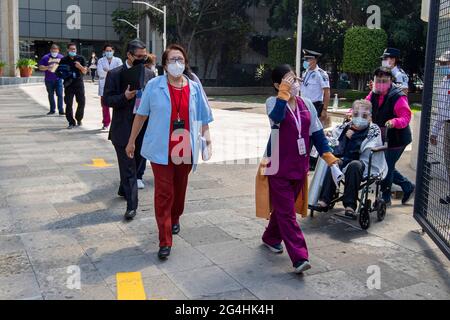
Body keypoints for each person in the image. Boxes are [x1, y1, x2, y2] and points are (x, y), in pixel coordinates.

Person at [125, 44, 213, 260]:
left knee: (179, 191)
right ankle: (165, 240)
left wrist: (207, 140)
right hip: (161, 147)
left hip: (184, 146)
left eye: (180, 60)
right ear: (164, 64)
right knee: (164, 193)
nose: (177, 64)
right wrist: (131, 141)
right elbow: (141, 115)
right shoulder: (154, 86)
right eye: (173, 60)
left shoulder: (193, 87)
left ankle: (175, 218)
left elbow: (203, 116)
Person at [260, 64, 339, 274]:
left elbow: (317, 134)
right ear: (277, 85)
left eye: (294, 79)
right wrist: (283, 94)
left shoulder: (307, 105)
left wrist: (328, 156)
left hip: (299, 166)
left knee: (283, 209)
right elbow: (276, 119)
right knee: (287, 214)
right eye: (287, 80)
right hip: (278, 166)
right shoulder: (273, 103)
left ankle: (270, 237)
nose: (294, 83)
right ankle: (299, 257)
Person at [103, 40, 155, 221]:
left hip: (143, 128)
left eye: (144, 56)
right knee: (129, 168)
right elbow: (107, 100)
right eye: (138, 57)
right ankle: (132, 206)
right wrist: (124, 97)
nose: (142, 59)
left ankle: (123, 187)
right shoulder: (115, 74)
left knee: (136, 163)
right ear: (129, 55)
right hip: (123, 129)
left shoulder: (150, 74)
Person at [314, 100, 388, 218]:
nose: (359, 118)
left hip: (363, 162)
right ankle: (324, 200)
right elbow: (334, 139)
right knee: (333, 163)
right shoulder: (346, 126)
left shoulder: (374, 129)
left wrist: (354, 137)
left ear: (370, 117)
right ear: (351, 114)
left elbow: (368, 148)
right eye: (356, 114)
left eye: (364, 116)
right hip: (345, 159)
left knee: (354, 165)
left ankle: (350, 205)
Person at [366, 67, 415, 206]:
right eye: (378, 80)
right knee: (386, 166)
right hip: (382, 137)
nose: (381, 83)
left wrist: (394, 122)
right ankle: (408, 186)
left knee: (386, 166)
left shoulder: (397, 96)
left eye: (384, 80)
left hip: (398, 139)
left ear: (391, 80)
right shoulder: (373, 94)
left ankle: (385, 197)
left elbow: (406, 117)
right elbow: (364, 105)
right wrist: (354, 112)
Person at [431, 51, 450, 205]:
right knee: (448, 160)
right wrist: (435, 132)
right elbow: (441, 109)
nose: (441, 66)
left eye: (444, 63)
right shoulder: (444, 82)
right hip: (447, 125)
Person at [59, 43, 88, 130]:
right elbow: (59, 72)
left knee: (81, 101)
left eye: (74, 49)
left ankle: (79, 118)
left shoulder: (81, 58)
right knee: (68, 103)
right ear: (68, 50)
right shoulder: (64, 60)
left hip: (79, 83)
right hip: (68, 84)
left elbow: (85, 72)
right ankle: (71, 122)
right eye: (71, 49)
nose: (73, 51)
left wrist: (80, 67)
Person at [97, 44, 123, 131]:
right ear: (104, 52)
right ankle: (106, 122)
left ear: (113, 51)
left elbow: (121, 72)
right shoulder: (100, 61)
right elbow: (100, 73)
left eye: (110, 51)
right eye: (107, 51)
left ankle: (117, 123)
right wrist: (112, 72)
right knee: (105, 105)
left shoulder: (118, 60)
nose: (109, 52)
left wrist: (107, 71)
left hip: (116, 85)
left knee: (117, 105)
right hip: (104, 85)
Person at [300, 49, 331, 124]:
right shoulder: (305, 72)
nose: (305, 62)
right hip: (304, 104)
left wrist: (324, 109)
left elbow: (327, 92)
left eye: (308, 59)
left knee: (313, 129)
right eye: (305, 59)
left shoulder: (321, 74)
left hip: (315, 106)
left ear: (314, 60)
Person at [39, 44, 65, 116]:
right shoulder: (45, 57)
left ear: (58, 50)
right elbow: (40, 67)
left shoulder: (61, 57)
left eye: (56, 50)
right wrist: (47, 67)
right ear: (50, 50)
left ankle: (61, 110)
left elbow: (65, 66)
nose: (54, 51)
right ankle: (52, 110)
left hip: (58, 79)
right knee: (50, 94)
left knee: (60, 95)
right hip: (49, 79)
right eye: (53, 50)